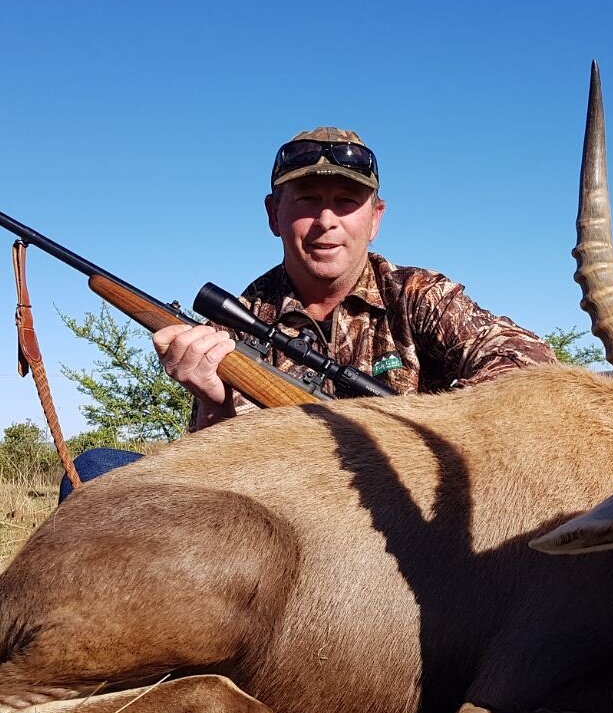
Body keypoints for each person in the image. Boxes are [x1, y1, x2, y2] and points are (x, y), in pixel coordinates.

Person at [61, 127, 555, 497]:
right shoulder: (236, 322)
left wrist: (408, 433)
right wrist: (213, 404)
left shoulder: (416, 295)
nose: (325, 221)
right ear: (274, 213)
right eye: (307, 201)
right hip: (290, 511)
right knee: (94, 470)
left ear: (375, 219)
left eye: (346, 201)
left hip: (408, 513)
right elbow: (213, 478)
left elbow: (530, 364)